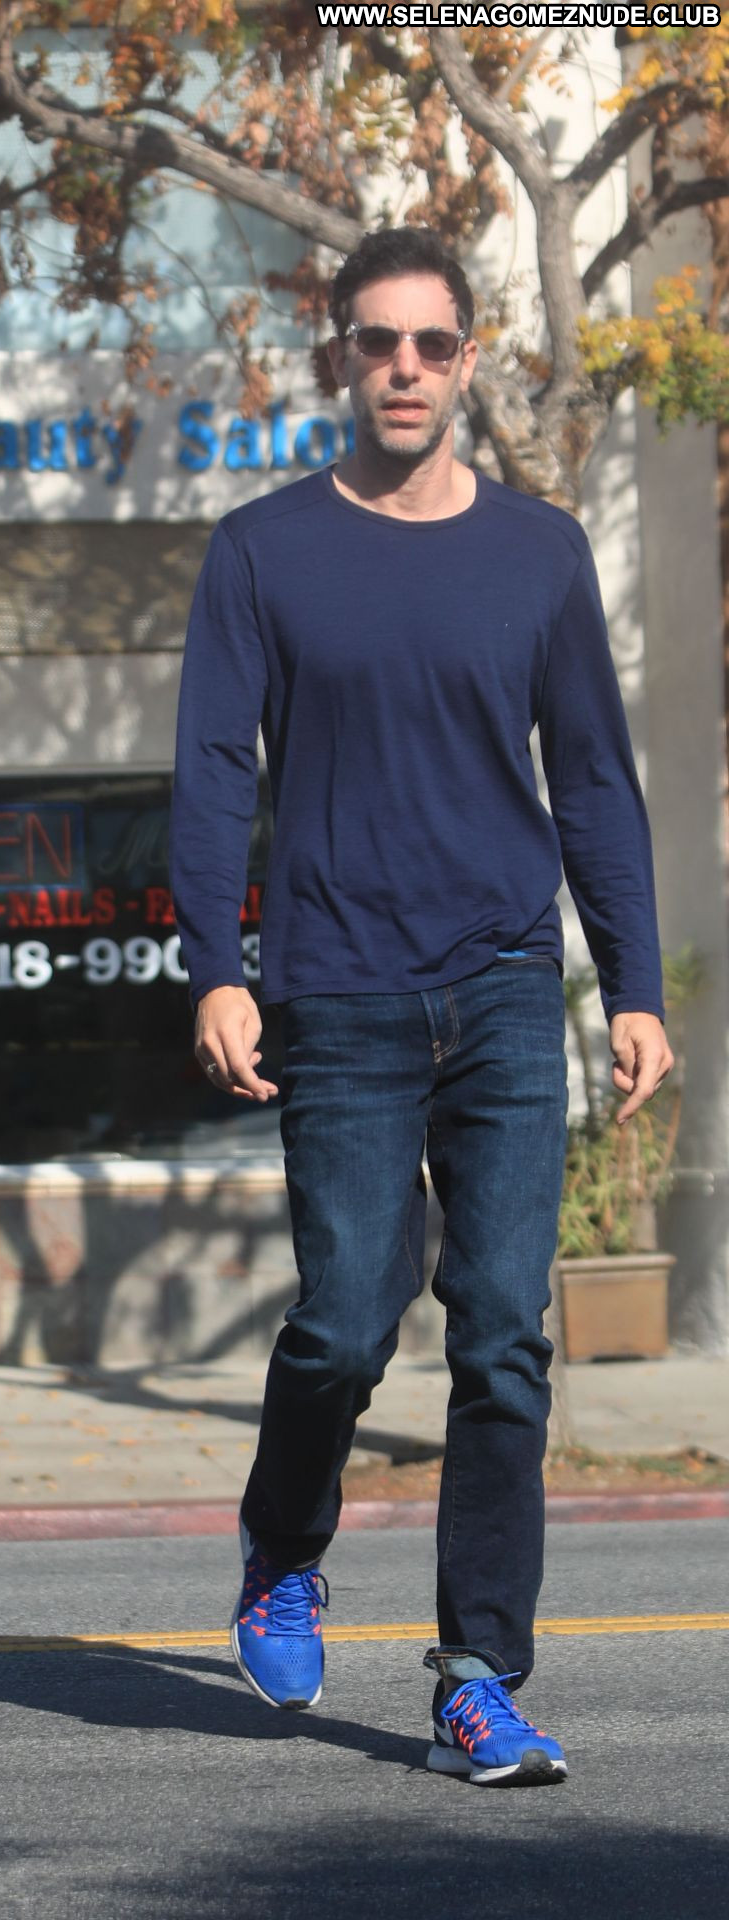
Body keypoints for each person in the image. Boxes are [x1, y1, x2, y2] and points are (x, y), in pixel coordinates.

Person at [170, 228, 672, 1786]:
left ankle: (476, 1681)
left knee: (505, 1338)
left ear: (468, 359)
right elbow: (213, 772)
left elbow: (593, 778)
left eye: (432, 344)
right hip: (336, 990)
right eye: (377, 342)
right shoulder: (262, 551)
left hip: (507, 984)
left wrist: (634, 983)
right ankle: (283, 1546)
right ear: (340, 356)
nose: (404, 368)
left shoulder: (541, 552)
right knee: (342, 1324)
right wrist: (216, 965)